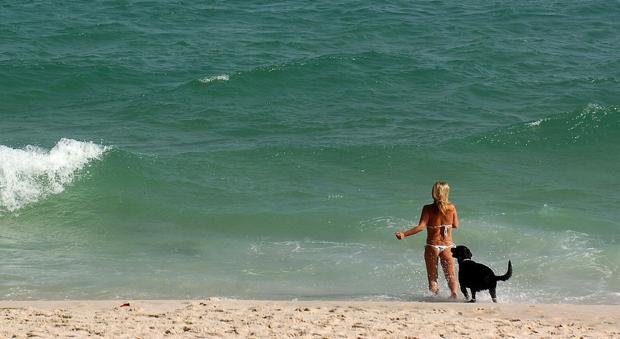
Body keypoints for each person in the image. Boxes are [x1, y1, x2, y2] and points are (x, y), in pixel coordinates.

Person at [395, 181, 459, 298]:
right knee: (451, 276)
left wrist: (404, 234)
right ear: (446, 193)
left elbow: (421, 227)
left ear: (434, 193)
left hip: (432, 246)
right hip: (447, 246)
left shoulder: (427, 208)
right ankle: (454, 294)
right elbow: (455, 225)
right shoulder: (452, 208)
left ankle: (435, 299)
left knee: (432, 278)